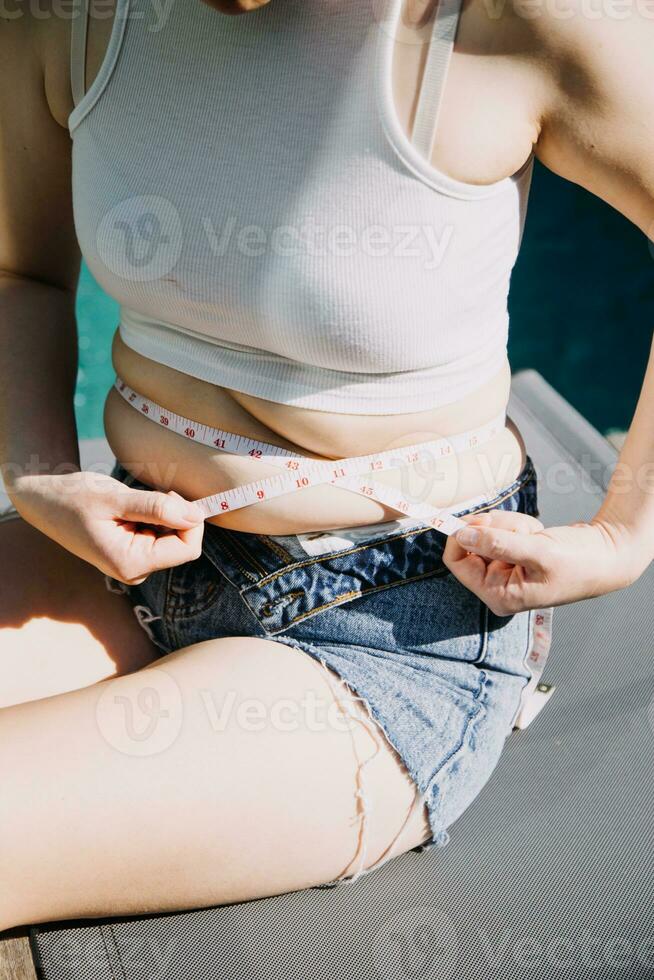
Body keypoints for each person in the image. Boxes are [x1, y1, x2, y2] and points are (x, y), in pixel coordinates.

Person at [0, 0, 652, 931]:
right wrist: (39, 475)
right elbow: (19, 271)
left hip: (388, 633)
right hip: (129, 559)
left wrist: (626, 533)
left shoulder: (521, 22)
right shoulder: (63, 19)